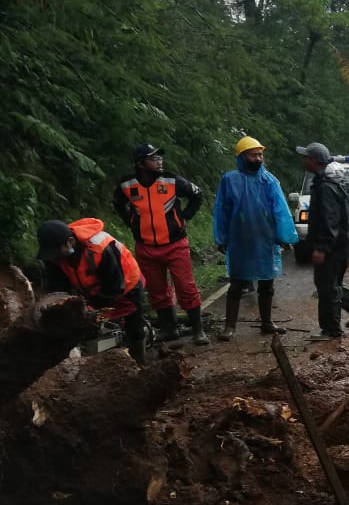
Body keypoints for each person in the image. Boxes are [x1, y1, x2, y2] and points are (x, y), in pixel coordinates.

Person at [112, 143, 208, 345]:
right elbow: (118, 203)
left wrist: (185, 217)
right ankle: (169, 329)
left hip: (175, 244)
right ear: (141, 163)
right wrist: (130, 221)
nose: (159, 161)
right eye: (153, 158)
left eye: (159, 157)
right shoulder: (127, 184)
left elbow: (197, 195)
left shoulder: (171, 180)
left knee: (185, 286)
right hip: (145, 247)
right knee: (157, 291)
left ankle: (198, 330)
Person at [213, 136, 298, 341]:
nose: (258, 158)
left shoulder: (269, 180)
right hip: (239, 238)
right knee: (237, 283)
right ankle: (229, 326)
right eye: (253, 155)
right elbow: (221, 210)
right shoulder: (229, 180)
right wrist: (221, 238)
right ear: (242, 157)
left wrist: (283, 235)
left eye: (260, 154)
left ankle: (267, 322)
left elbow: (280, 210)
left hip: (264, 238)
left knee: (266, 284)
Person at [37, 218, 149, 364]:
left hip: (125, 284)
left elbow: (113, 288)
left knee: (134, 327)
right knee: (81, 322)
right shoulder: (54, 255)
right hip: (90, 287)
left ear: (70, 241)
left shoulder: (100, 248)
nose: (54, 259)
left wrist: (91, 309)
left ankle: (140, 362)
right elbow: (58, 287)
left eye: (57, 254)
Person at [297, 142, 349, 341]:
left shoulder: (326, 186)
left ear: (314, 160)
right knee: (330, 285)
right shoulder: (333, 181)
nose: (303, 160)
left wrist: (321, 248)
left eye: (306, 157)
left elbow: (330, 220)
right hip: (342, 244)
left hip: (334, 247)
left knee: (327, 287)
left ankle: (331, 330)